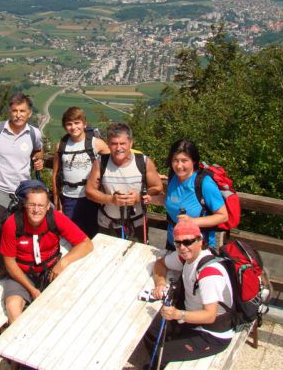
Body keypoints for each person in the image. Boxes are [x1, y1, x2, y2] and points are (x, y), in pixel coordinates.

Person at [0, 180, 93, 324]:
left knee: (73, 303)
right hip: (21, 274)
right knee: (13, 307)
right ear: (25, 204)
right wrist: (31, 289)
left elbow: (86, 244)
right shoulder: (12, 224)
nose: (36, 210)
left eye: (41, 205)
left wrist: (63, 262)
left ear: (48, 206)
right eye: (32, 205)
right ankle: (20, 341)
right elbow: (9, 262)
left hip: (51, 269)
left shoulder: (55, 218)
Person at [145, 220, 234, 365]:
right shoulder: (186, 257)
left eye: (188, 242)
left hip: (212, 334)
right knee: (151, 333)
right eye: (178, 243)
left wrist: (178, 314)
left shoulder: (209, 274)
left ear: (200, 241)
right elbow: (160, 264)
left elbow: (210, 316)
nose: (182, 247)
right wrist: (160, 284)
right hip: (190, 318)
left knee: (163, 351)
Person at [85, 122, 163, 241]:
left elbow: (157, 187)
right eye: (114, 144)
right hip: (107, 223)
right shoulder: (101, 162)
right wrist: (111, 199)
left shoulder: (143, 162)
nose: (118, 148)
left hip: (137, 224)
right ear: (108, 145)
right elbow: (90, 191)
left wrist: (138, 198)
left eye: (122, 143)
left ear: (130, 143)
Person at [0, 92, 44, 233]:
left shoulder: (34, 133)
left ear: (29, 113)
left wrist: (39, 161)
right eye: (14, 111)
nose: (18, 114)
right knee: (3, 226)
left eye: (22, 111)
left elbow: (38, 151)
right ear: (9, 112)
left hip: (24, 189)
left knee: (25, 227)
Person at [152, 139, 228, 250]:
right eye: (175, 160)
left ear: (194, 161)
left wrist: (192, 221)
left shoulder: (204, 183)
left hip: (197, 246)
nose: (179, 166)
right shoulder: (173, 176)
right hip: (173, 241)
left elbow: (223, 216)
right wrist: (150, 199)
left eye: (184, 160)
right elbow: (172, 198)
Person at [52, 107, 109, 238]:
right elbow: (55, 173)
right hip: (68, 197)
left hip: (92, 198)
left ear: (84, 124)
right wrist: (56, 199)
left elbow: (116, 160)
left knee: (94, 234)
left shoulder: (97, 144)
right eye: (69, 124)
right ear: (65, 126)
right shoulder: (60, 146)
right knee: (72, 235)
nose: (73, 127)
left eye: (77, 123)